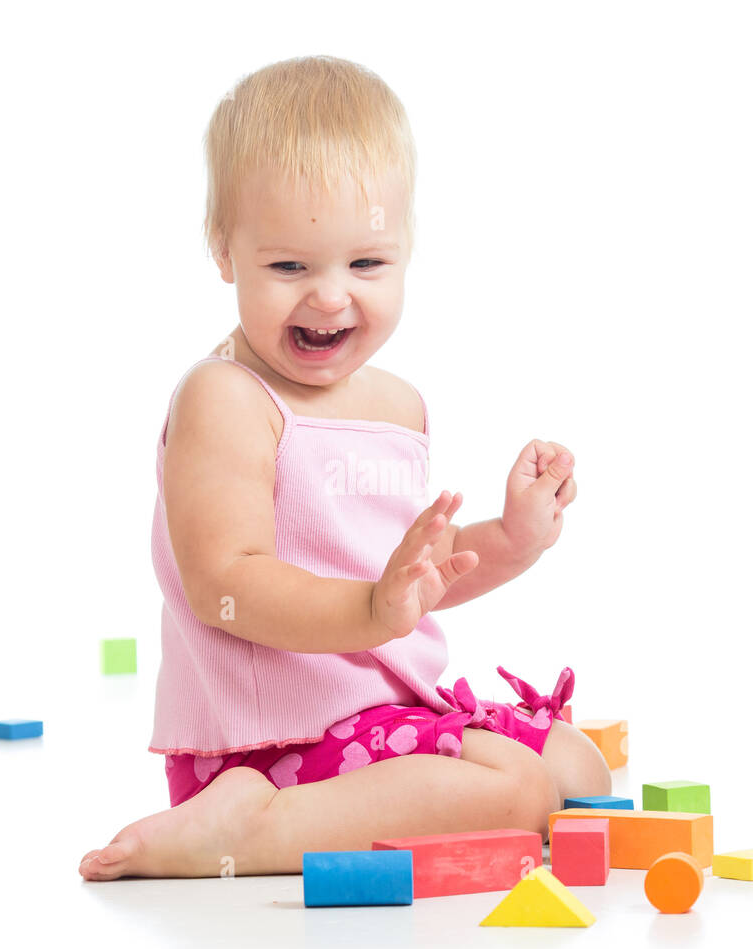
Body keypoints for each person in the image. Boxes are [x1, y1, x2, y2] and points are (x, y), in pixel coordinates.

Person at [80, 55, 609, 881]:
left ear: (407, 250)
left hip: (377, 719)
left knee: (578, 771)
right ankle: (244, 830)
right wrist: (368, 609)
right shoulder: (227, 398)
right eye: (289, 267)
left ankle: (356, 810)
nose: (330, 298)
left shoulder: (398, 406)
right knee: (516, 791)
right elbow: (225, 580)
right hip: (272, 742)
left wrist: (512, 537)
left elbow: (404, 584)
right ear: (225, 251)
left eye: (365, 265)